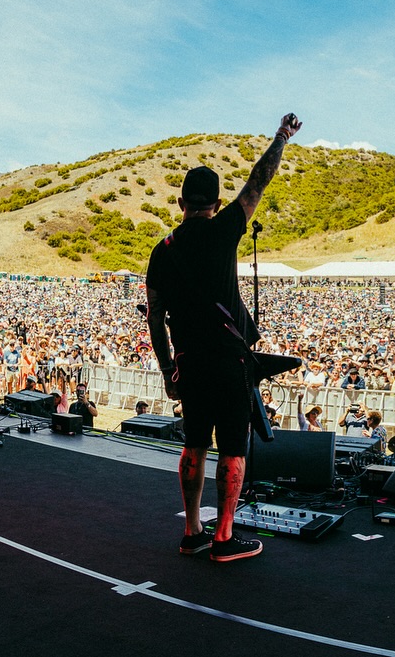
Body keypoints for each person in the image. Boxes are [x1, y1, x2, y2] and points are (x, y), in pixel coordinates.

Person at [146, 112, 301, 563]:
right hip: (229, 360)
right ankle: (224, 537)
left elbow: (155, 318)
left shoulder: (162, 251)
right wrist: (282, 136)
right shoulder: (224, 229)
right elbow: (258, 181)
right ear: (215, 203)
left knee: (194, 443)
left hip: (189, 361)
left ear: (181, 203)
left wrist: (168, 370)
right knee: (232, 448)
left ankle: (192, 530)